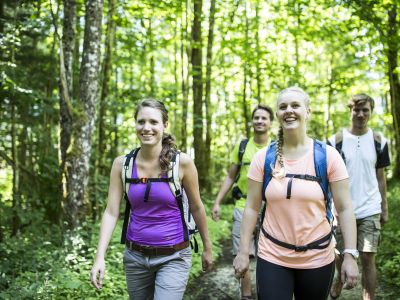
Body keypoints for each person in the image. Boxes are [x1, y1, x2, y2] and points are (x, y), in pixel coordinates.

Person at [233, 86, 359, 300]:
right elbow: (252, 207)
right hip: (272, 254)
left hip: (318, 257)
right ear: (277, 115)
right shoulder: (263, 157)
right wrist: (243, 251)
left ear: (307, 111)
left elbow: (345, 208)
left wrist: (350, 254)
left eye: (295, 105)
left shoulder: (328, 156)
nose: (288, 110)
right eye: (283, 107)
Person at [90, 99, 213, 299]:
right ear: (135, 124)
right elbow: (111, 212)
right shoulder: (122, 165)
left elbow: (197, 207)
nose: (146, 128)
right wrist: (99, 257)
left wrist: (208, 248)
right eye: (141, 122)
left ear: (165, 125)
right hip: (135, 257)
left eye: (153, 122)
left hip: (174, 256)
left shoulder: (182, 163)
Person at [328, 94, 390, 300]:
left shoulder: (379, 141)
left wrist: (384, 208)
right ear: (350, 111)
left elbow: (381, 178)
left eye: (365, 110)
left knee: (367, 258)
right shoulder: (334, 141)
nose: (361, 114)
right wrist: (328, 209)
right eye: (357, 110)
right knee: (339, 254)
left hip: (370, 209)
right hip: (340, 210)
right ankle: (339, 275)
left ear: (371, 112)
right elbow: (327, 178)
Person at [212, 104, 273, 300]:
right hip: (243, 206)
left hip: (271, 208)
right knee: (242, 252)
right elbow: (230, 177)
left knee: (269, 255)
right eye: (257, 117)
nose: (260, 121)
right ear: (252, 121)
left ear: (271, 123)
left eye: (264, 118)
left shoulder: (277, 147)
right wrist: (217, 202)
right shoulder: (242, 147)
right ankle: (246, 295)